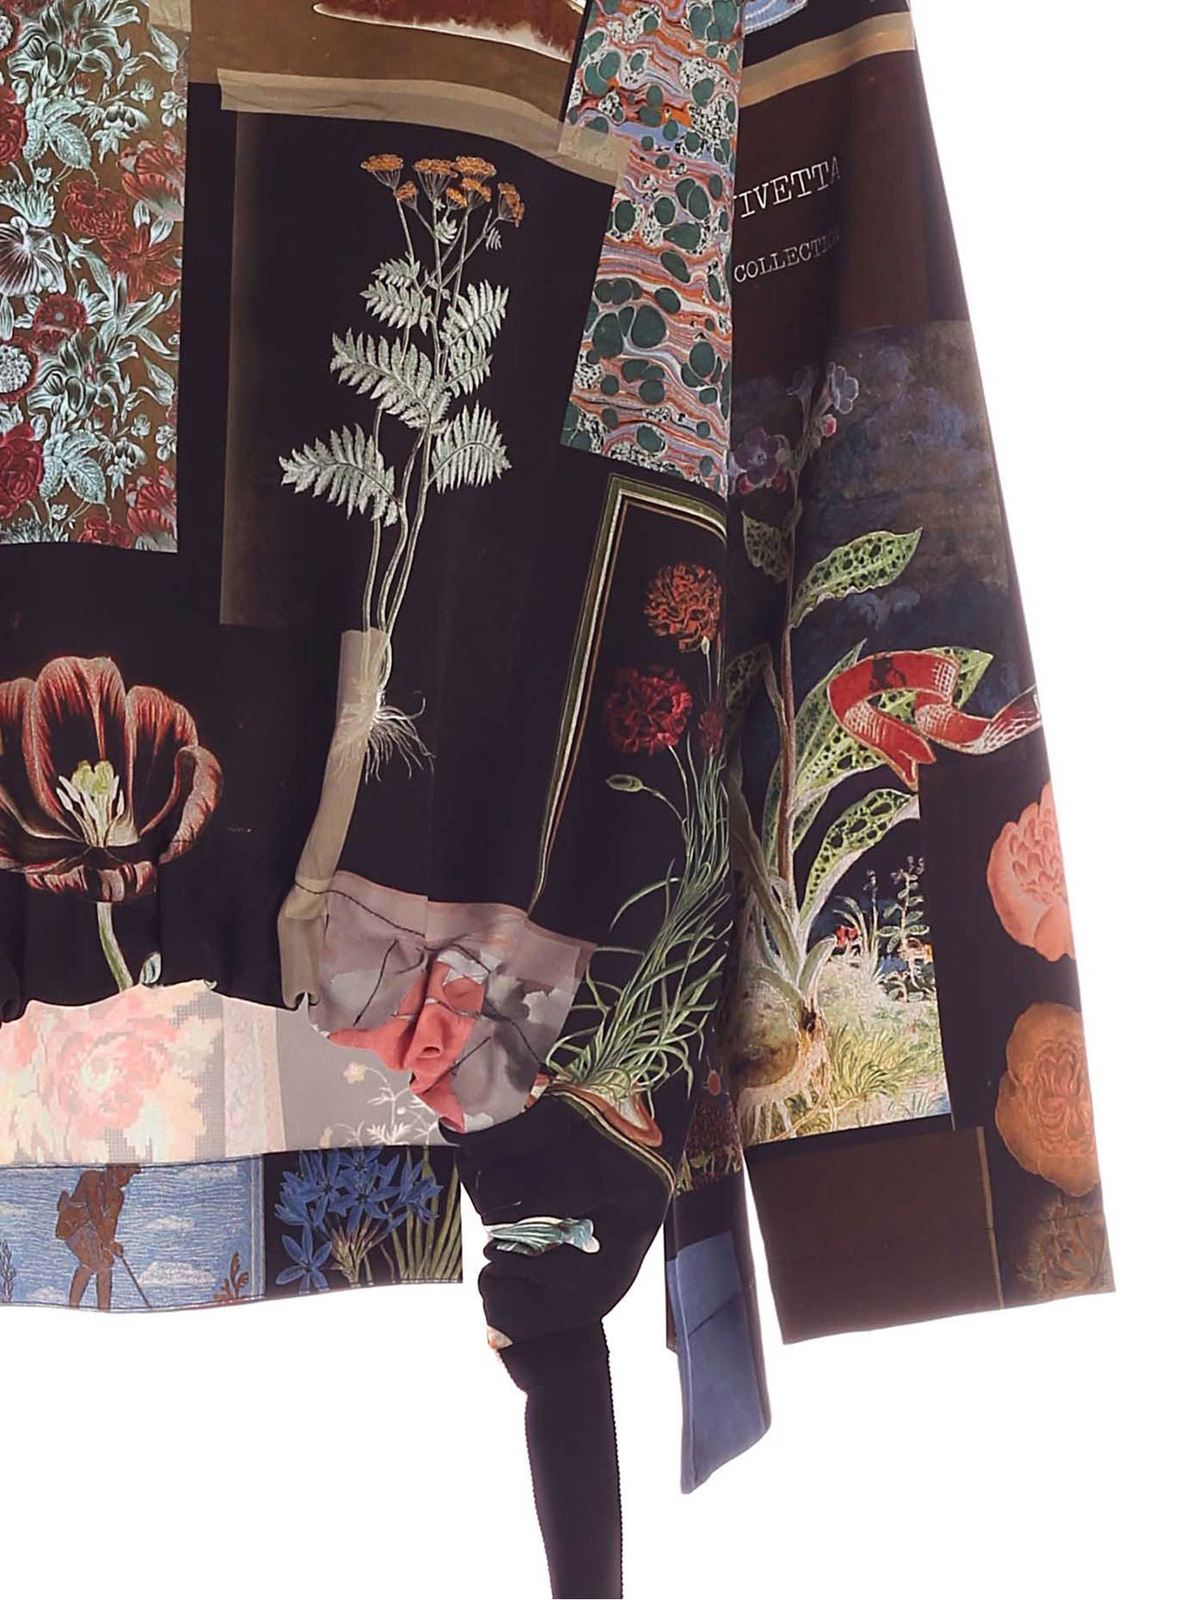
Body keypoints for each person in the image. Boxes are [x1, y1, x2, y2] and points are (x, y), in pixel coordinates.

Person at [55, 1165, 142, 1311]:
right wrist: (108, 1242)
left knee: (100, 1262)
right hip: (74, 1228)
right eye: (125, 1171)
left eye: (130, 1174)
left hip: (95, 1233)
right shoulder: (91, 1178)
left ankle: (96, 1309)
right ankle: (84, 1309)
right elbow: (94, 1211)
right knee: (101, 1264)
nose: (127, 1178)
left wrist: (110, 1244)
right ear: (113, 1168)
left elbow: (110, 1223)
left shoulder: (118, 1197)